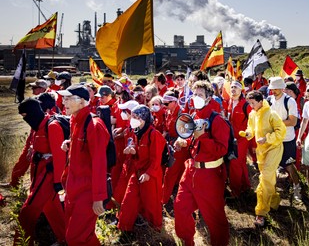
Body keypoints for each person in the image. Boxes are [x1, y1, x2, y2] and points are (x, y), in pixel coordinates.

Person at [174, 80, 230, 246]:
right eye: (194, 94)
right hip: (191, 170)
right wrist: (183, 142)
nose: (195, 98)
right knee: (180, 208)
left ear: (208, 99)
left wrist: (203, 137)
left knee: (215, 217)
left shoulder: (218, 121)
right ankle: (187, 241)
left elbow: (222, 150)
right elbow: (191, 139)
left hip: (210, 175)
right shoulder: (192, 117)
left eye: (200, 95)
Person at [57, 84, 110, 245]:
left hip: (87, 191)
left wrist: (98, 198)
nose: (63, 102)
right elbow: (82, 148)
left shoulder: (94, 126)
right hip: (73, 187)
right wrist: (70, 143)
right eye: (63, 98)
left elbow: (100, 163)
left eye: (67, 99)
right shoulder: (75, 120)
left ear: (81, 101)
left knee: (75, 237)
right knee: (82, 235)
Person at [13, 98, 66, 245]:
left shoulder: (52, 126)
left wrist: (57, 182)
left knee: (27, 212)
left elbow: (59, 155)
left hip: (48, 177)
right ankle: (66, 239)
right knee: (52, 211)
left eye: (25, 115)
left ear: (33, 112)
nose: (25, 119)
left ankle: (21, 243)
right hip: (40, 174)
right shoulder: (38, 126)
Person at [117, 105, 165, 239]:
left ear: (144, 119)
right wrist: (133, 152)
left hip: (151, 175)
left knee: (152, 204)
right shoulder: (136, 132)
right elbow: (139, 153)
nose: (134, 120)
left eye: (137, 117)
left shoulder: (154, 135)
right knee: (128, 201)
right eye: (133, 117)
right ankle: (124, 229)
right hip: (137, 172)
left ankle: (156, 231)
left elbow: (156, 159)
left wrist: (148, 174)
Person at [241, 90, 286, 227]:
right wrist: (248, 133)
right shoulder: (252, 114)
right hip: (261, 151)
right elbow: (251, 127)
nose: (251, 106)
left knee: (265, 177)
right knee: (268, 178)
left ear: (260, 101)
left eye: (253, 103)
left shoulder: (272, 114)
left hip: (274, 148)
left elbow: (281, 131)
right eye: (249, 103)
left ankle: (261, 212)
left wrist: (267, 138)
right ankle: (273, 201)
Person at [267, 77, 301, 201]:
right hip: (274, 138)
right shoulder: (269, 100)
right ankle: (273, 190)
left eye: (276, 88)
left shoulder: (290, 101)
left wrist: (276, 123)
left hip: (287, 138)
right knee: (273, 165)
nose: (273, 91)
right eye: (272, 88)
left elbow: (293, 121)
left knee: (289, 165)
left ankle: (297, 187)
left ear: (282, 88)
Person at [227, 81, 253, 198]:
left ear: (241, 90)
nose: (233, 89)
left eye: (236, 87)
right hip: (231, 138)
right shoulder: (230, 101)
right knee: (241, 162)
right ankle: (246, 186)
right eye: (231, 87)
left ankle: (235, 192)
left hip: (242, 139)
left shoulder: (245, 105)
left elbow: (252, 122)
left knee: (235, 163)